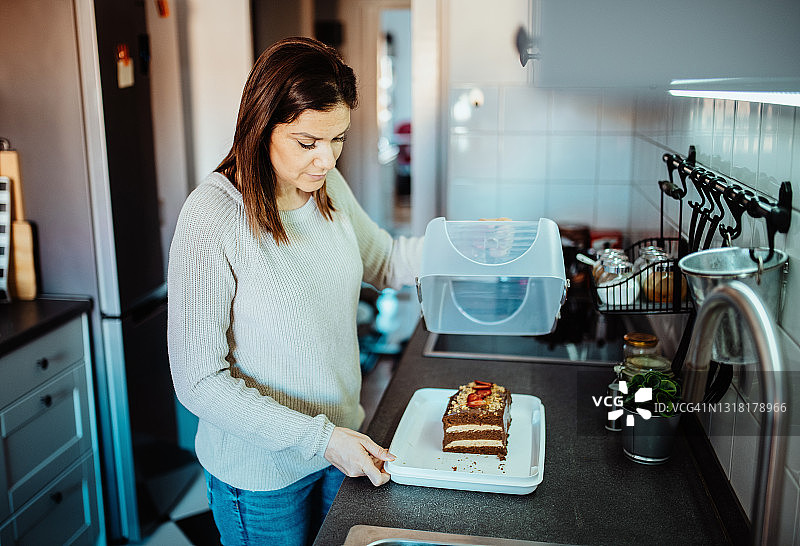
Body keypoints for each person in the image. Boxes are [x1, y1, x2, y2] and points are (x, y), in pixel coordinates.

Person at [167, 37, 422, 545]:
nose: (326, 159)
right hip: (261, 478)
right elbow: (198, 381)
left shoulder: (326, 188)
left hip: (340, 448)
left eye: (338, 138)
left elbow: (387, 261)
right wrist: (321, 439)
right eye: (308, 142)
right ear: (261, 125)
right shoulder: (212, 216)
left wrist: (470, 247)